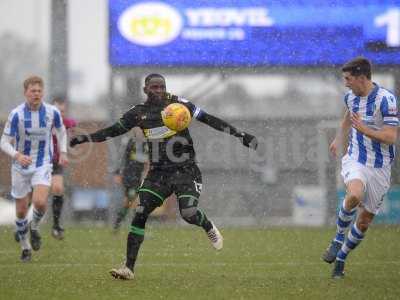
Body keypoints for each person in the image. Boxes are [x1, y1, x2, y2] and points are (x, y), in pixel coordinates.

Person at [70, 73, 258, 280]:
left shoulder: (178, 104)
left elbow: (208, 119)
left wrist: (240, 134)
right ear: (145, 90)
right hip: (158, 174)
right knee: (140, 212)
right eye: (154, 87)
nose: (159, 91)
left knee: (188, 214)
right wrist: (85, 138)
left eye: (162, 87)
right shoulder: (138, 113)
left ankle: (208, 226)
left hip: (186, 171)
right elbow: (113, 130)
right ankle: (129, 268)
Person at [322, 57, 398, 278]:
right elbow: (348, 117)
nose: (345, 83)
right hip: (356, 159)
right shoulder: (351, 97)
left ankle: (342, 259)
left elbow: (391, 137)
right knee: (354, 194)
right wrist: (338, 138)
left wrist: (366, 130)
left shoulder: (386, 100)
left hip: (381, 167)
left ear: (361, 77)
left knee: (363, 222)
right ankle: (337, 240)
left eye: (348, 79)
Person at [0, 75, 68, 262]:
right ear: (25, 93)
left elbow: (61, 131)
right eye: (33, 91)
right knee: (21, 211)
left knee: (39, 202)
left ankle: (35, 227)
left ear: (42, 92)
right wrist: (17, 155)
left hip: (42, 163)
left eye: (39, 91)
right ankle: (25, 247)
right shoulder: (17, 115)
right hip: (20, 166)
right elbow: (4, 142)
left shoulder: (51, 112)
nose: (36, 94)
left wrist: (62, 152)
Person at [112, 128, 149, 232]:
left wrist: (146, 173)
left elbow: (146, 161)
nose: (140, 132)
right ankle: (136, 227)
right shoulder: (129, 142)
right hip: (129, 176)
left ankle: (118, 223)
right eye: (138, 130)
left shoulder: (146, 144)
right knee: (134, 199)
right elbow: (121, 158)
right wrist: (117, 173)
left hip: (138, 176)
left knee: (129, 202)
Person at [50, 97, 77, 239]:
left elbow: (72, 125)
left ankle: (56, 224)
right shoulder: (44, 121)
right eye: (58, 110)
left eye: (63, 111)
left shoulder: (66, 123)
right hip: (39, 161)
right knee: (34, 198)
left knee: (58, 189)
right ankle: (26, 224)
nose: (61, 113)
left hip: (56, 161)